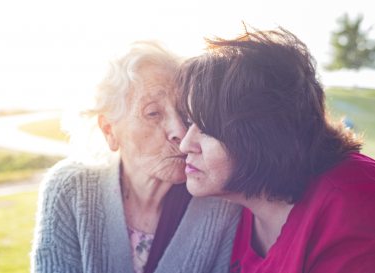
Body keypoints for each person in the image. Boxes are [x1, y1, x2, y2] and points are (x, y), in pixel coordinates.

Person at [30, 40, 241, 273]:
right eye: (153, 113)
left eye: (183, 112)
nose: (180, 132)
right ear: (109, 130)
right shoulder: (70, 189)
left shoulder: (219, 202)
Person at [178, 28, 375, 273]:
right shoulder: (244, 201)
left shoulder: (352, 205)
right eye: (189, 122)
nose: (185, 145)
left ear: (259, 134)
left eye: (206, 129)